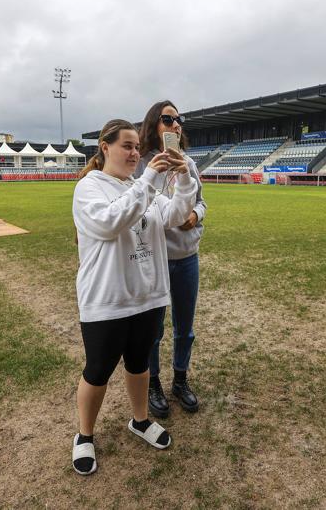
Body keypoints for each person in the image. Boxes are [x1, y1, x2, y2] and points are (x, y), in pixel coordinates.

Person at [71, 118, 199, 475]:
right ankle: (84, 435)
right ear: (105, 147)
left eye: (136, 147)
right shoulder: (89, 187)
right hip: (107, 299)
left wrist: (185, 175)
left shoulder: (140, 186)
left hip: (147, 297)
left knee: (139, 364)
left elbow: (173, 214)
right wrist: (147, 181)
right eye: (126, 146)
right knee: (98, 371)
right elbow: (111, 222)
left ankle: (140, 421)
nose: (133, 153)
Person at [135, 101, 207, 418]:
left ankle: (180, 380)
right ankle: (153, 384)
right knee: (154, 329)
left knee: (185, 328)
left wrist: (193, 214)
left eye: (178, 119)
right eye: (167, 118)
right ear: (154, 125)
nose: (175, 124)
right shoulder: (142, 164)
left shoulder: (189, 163)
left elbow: (204, 204)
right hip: (156, 258)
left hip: (187, 256)